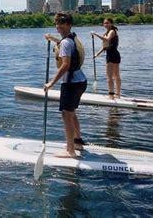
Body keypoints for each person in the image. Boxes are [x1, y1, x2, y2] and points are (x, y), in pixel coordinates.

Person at [44, 12, 87, 158]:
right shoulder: (71, 39)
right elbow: (64, 45)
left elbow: (65, 65)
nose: (58, 27)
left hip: (71, 83)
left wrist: (51, 83)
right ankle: (77, 142)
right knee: (72, 112)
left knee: (66, 115)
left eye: (61, 24)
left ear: (69, 25)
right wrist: (52, 39)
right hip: (80, 80)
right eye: (57, 24)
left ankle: (70, 151)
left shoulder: (65, 43)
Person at [91, 18, 121, 99]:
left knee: (110, 76)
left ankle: (112, 95)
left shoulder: (111, 31)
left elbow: (107, 39)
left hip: (112, 55)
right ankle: (117, 95)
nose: (105, 25)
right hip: (113, 54)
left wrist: (96, 34)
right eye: (104, 23)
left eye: (107, 23)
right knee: (115, 76)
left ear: (111, 23)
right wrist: (97, 54)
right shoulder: (107, 32)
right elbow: (105, 46)